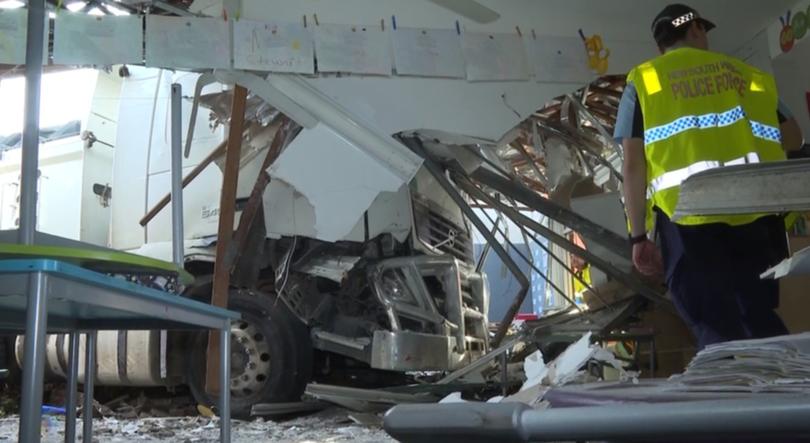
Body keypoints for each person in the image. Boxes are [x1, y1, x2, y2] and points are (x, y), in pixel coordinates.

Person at [614, 4, 804, 349]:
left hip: (689, 218)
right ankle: (788, 389)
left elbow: (633, 164)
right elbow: (793, 137)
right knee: (758, 315)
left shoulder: (645, 80)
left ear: (660, 46)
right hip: (754, 214)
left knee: (714, 324)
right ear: (697, 30)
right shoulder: (745, 73)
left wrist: (638, 237)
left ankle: (734, 392)